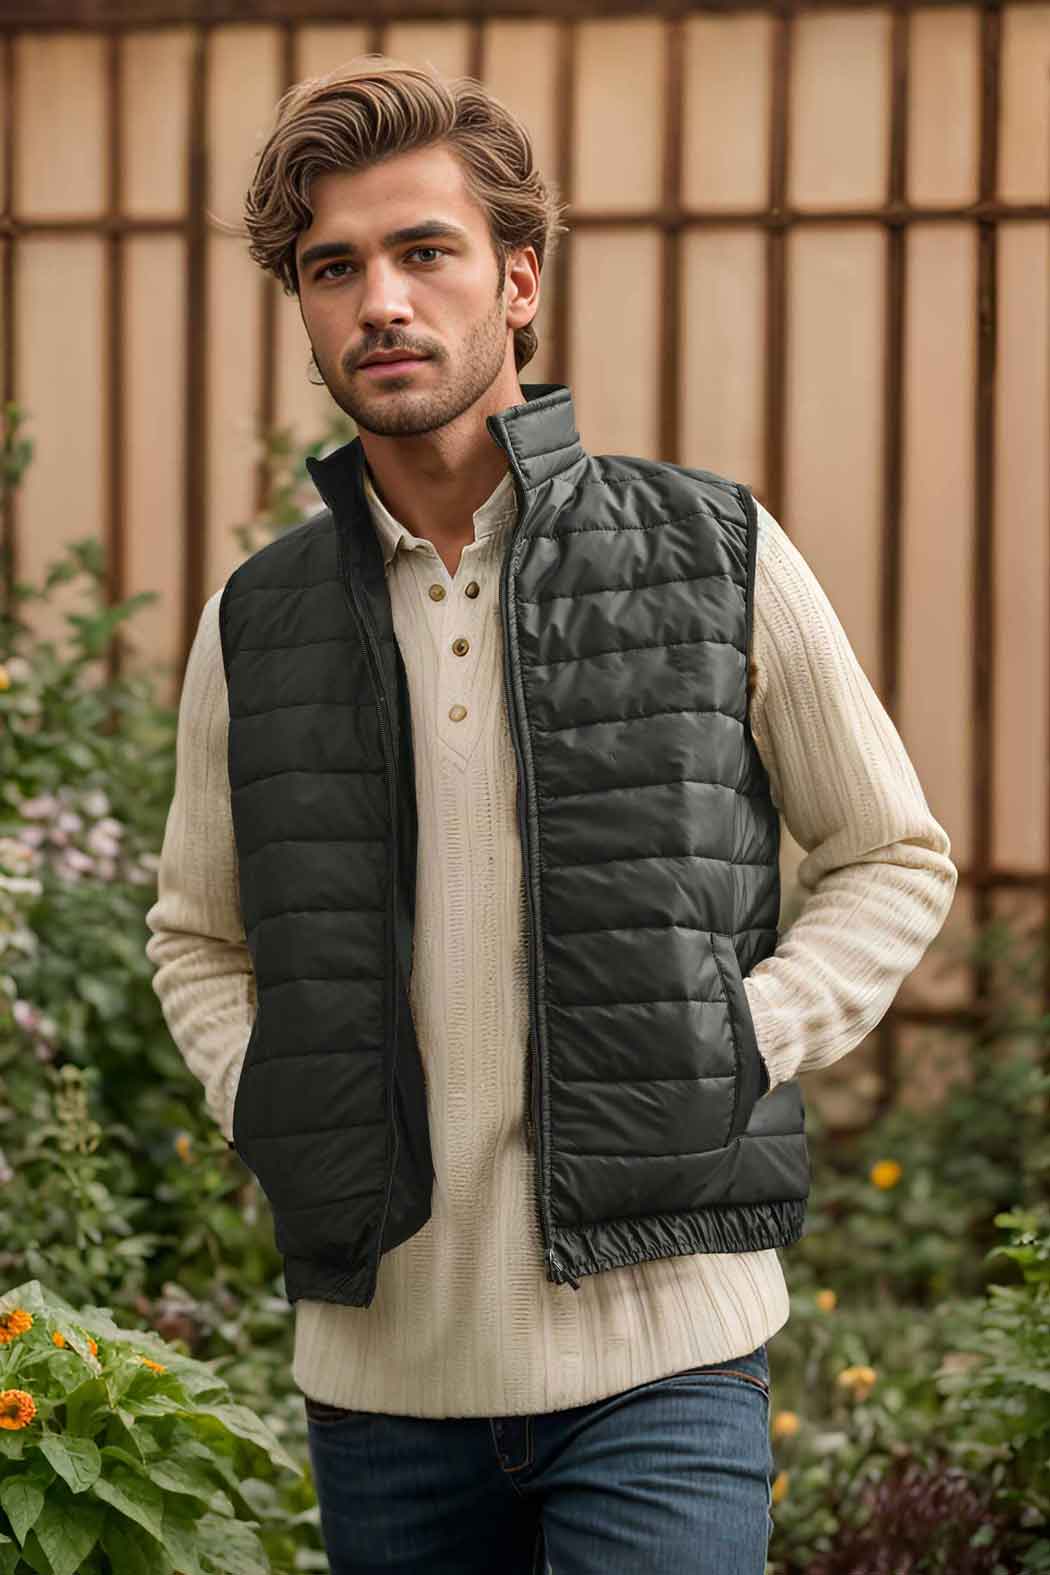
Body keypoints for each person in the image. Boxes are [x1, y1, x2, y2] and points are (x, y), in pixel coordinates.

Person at [144, 56, 958, 1575]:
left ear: (518, 280)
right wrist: (267, 1091)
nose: (381, 302)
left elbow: (891, 854)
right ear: (305, 307)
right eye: (334, 268)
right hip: (381, 1390)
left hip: (665, 1359)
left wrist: (743, 1033)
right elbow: (199, 937)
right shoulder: (253, 623)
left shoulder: (713, 550)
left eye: (424, 251)